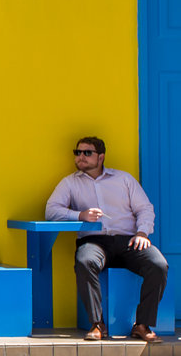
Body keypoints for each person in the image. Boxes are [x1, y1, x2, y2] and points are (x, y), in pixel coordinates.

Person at [45, 136, 167, 343]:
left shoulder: (123, 179)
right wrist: (80, 215)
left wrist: (142, 233)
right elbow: (51, 211)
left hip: (129, 240)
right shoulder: (70, 183)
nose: (81, 157)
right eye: (78, 153)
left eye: (87, 153)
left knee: (158, 265)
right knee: (85, 262)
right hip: (94, 242)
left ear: (101, 157)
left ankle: (142, 325)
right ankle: (97, 324)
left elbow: (145, 209)